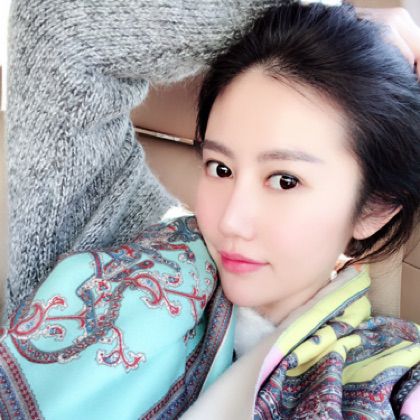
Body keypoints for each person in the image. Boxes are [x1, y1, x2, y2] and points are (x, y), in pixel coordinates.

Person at [2, 0, 420, 419]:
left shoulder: (391, 380)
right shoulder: (114, 237)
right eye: (221, 168)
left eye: (284, 180)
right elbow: (58, 25)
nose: (230, 221)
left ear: (373, 209)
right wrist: (321, 7)